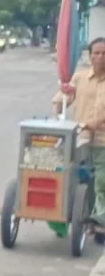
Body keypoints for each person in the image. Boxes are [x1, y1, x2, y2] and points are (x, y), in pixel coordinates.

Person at [53, 37, 105, 244]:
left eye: (104, 54)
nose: (100, 57)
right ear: (90, 56)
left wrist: (90, 123)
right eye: (96, 53)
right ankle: (64, 220)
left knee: (100, 183)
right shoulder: (80, 78)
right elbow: (63, 99)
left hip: (102, 142)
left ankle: (99, 224)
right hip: (80, 141)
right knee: (70, 181)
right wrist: (58, 107)